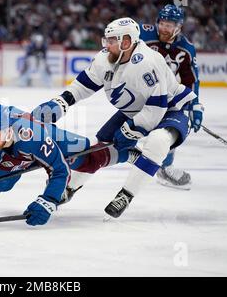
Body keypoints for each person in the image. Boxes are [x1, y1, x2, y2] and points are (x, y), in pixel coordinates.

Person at [32, 17, 199, 219]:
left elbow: (156, 109)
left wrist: (130, 130)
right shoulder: (106, 58)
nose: (106, 45)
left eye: (112, 40)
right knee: (98, 147)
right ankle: (70, 188)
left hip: (171, 109)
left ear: (126, 41)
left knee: (158, 141)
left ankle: (126, 195)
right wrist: (61, 102)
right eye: (107, 40)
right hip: (135, 110)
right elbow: (84, 85)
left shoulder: (146, 62)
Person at [0, 103, 131, 230]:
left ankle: (128, 154)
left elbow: (59, 170)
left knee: (88, 159)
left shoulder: (32, 135)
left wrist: (48, 200)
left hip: (44, 138)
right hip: (20, 153)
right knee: (2, 178)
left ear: (9, 131)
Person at [140, 4, 204, 190]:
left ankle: (165, 167)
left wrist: (194, 105)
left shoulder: (186, 49)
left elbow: (190, 80)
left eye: (169, 25)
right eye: (162, 23)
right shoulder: (143, 35)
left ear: (179, 27)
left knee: (173, 124)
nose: (164, 28)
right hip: (136, 91)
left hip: (162, 94)